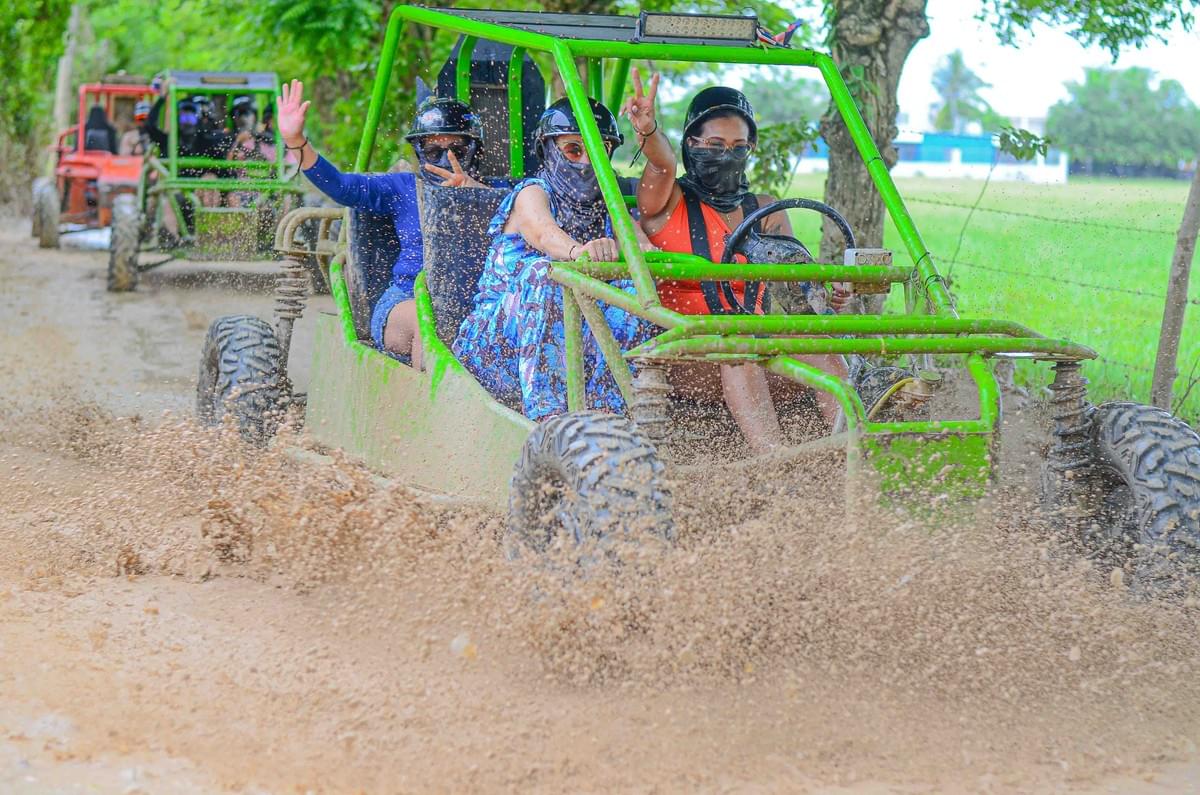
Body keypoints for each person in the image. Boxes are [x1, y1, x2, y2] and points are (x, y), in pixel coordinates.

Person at [625, 71, 850, 452]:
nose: (726, 155)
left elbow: (798, 281)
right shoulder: (665, 202)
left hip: (755, 343)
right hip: (684, 355)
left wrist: (828, 294)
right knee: (739, 348)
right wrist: (648, 132)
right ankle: (776, 464)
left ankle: (852, 456)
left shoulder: (764, 208)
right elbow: (662, 164)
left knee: (820, 344)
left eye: (738, 146)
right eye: (714, 144)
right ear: (691, 144)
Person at [452, 97, 656, 420]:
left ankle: (610, 410)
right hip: (494, 350)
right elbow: (544, 234)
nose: (587, 162)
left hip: (572, 346)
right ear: (548, 150)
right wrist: (580, 252)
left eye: (599, 151)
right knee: (547, 274)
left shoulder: (609, 204)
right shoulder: (532, 192)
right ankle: (548, 416)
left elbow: (640, 247)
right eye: (574, 150)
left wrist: (643, 255)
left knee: (634, 291)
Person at [276, 79, 491, 365]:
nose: (445, 159)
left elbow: (533, 219)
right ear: (418, 151)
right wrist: (295, 140)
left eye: (457, 150)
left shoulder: (496, 194)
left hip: (478, 304)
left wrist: (476, 195)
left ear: (474, 150)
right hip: (408, 300)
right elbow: (341, 187)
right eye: (433, 151)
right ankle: (429, 405)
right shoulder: (402, 188)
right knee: (429, 323)